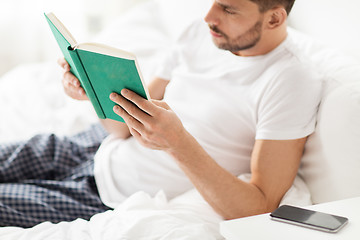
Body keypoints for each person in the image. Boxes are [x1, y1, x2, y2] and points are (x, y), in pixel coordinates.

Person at [0, 0, 321, 227]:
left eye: (228, 8)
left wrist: (177, 142)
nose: (209, 15)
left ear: (275, 19)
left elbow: (260, 206)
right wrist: (93, 92)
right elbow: (122, 128)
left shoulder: (290, 81)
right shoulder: (201, 33)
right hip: (87, 145)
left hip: (106, 193)